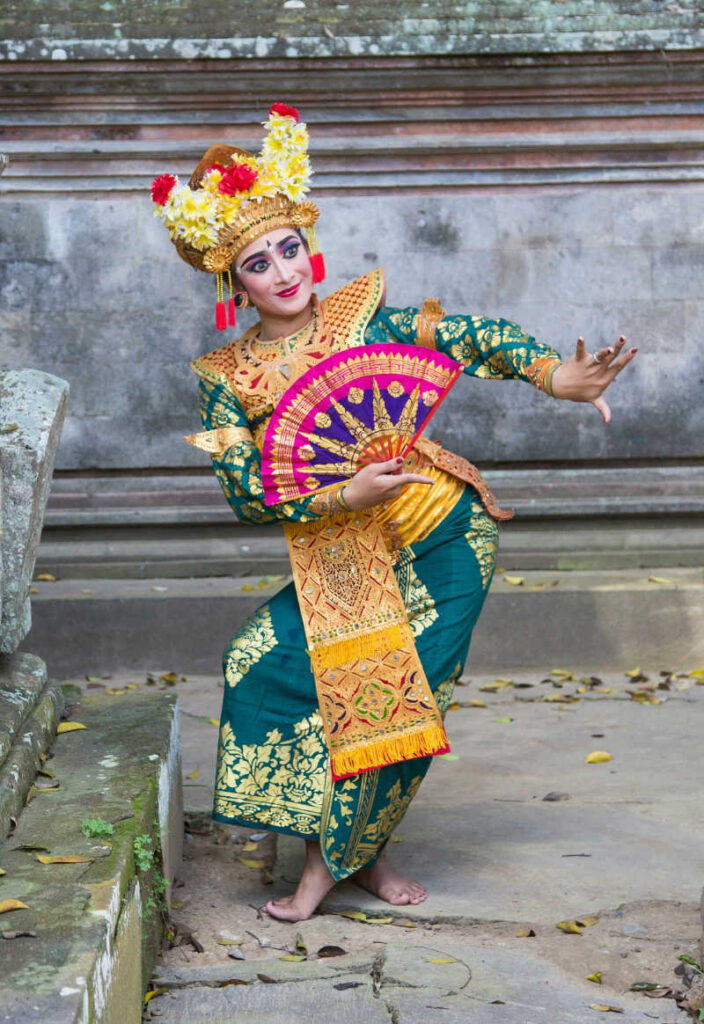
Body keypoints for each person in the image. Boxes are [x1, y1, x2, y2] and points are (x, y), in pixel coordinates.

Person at [151, 104, 637, 923]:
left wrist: (554, 375)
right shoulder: (226, 375)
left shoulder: (361, 320)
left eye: (290, 248)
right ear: (231, 283)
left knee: (389, 697)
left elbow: (468, 336)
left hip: (445, 538)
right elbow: (244, 492)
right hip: (342, 545)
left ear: (311, 247)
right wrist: (345, 494)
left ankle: (331, 867)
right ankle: (348, 848)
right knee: (258, 664)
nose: (282, 271)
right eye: (257, 262)